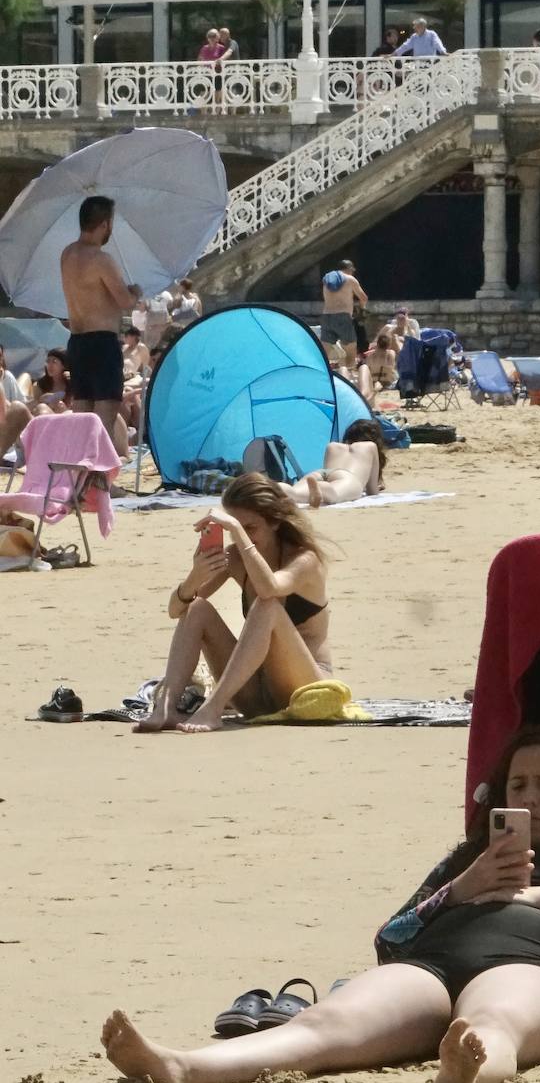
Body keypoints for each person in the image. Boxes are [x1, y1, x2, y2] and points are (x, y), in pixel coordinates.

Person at [101, 725, 540, 1083]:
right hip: (432, 965)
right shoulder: (468, 858)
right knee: (321, 1027)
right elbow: (390, 940)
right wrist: (461, 887)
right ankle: (183, 1067)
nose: (531, 798)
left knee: (494, 1024)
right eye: (518, 784)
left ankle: (463, 1078)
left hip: (538, 967)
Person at [136, 473, 331, 734]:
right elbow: (176, 610)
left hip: (307, 691)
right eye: (235, 528)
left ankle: (213, 707)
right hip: (257, 695)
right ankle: (166, 706)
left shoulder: (304, 560)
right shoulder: (236, 559)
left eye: (251, 528)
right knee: (197, 608)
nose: (243, 538)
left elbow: (269, 587)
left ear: (274, 523)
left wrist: (238, 533)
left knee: (267, 605)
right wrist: (195, 576)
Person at [59, 194, 140, 458]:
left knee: (82, 415)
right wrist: (135, 291)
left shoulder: (67, 254)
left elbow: (91, 292)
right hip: (102, 341)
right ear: (105, 224)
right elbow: (124, 301)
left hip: (78, 340)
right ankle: (98, 482)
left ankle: (79, 479)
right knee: (103, 417)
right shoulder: (100, 259)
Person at [283, 419, 387, 508]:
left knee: (295, 493)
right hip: (348, 477)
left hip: (322, 473)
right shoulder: (370, 446)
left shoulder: (333, 446)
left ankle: (282, 488)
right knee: (334, 493)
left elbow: (329, 472)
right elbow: (372, 492)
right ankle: (323, 488)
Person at [320, 259, 368, 368]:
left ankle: (321, 372)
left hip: (327, 316)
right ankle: (349, 374)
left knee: (324, 351)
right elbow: (363, 298)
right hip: (342, 317)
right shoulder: (350, 279)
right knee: (351, 349)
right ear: (349, 269)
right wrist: (361, 309)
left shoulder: (327, 280)